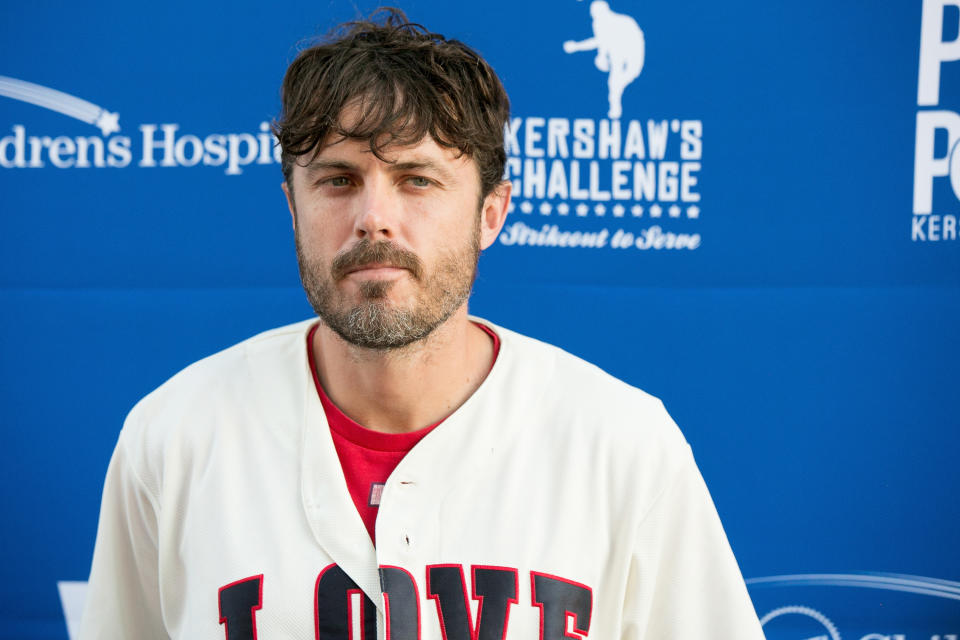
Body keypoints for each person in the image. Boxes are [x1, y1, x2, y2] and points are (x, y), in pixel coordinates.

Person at [80, 8, 764, 639]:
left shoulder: (622, 447)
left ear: (491, 214)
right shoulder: (173, 438)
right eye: (338, 179)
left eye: (417, 179)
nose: (374, 217)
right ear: (292, 207)